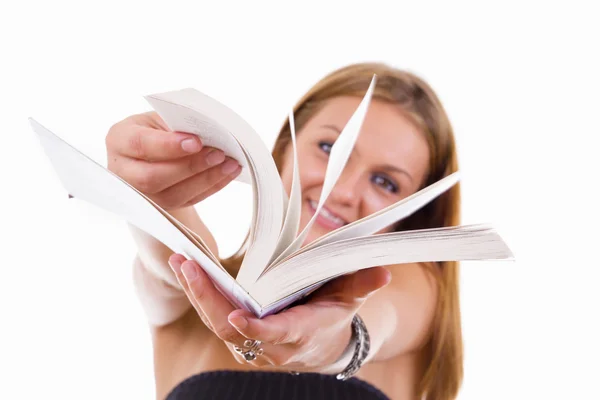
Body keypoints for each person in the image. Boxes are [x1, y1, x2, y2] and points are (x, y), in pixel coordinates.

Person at [105, 62, 463, 400]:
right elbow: (166, 256)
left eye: (385, 182)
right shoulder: (190, 297)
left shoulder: (413, 287)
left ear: (411, 215)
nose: (343, 191)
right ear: (282, 151)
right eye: (329, 148)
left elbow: (386, 317)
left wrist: (336, 342)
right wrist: (141, 186)